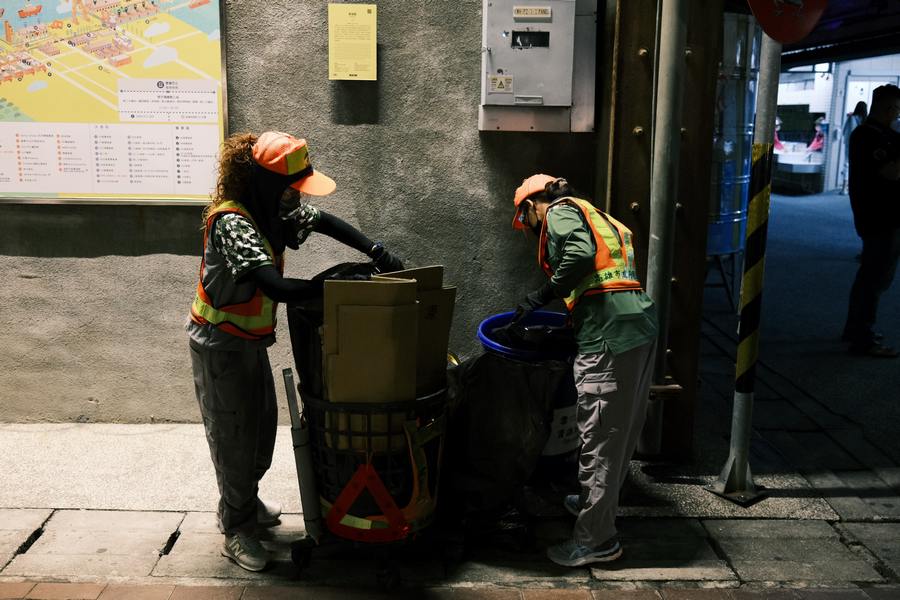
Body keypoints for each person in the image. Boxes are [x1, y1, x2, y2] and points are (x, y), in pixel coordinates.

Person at [187, 131, 403, 571]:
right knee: (233, 436)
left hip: (247, 342)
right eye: (293, 186)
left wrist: (375, 250)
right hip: (220, 344)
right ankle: (236, 525)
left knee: (261, 429)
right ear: (266, 183)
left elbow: (322, 220)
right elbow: (277, 287)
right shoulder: (234, 222)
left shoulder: (274, 209)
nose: (298, 196)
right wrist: (340, 287)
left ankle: (244, 500)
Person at [508, 175, 657, 566]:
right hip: (635, 329)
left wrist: (543, 295)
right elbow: (602, 278)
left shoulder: (557, 212)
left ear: (531, 206)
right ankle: (596, 507)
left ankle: (596, 540)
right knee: (618, 437)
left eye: (525, 221)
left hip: (608, 339)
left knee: (599, 440)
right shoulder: (598, 214)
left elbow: (578, 254)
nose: (529, 229)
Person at [841, 85, 900, 357]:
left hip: (874, 215)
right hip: (882, 216)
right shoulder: (872, 137)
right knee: (875, 277)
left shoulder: (871, 134)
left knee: (869, 275)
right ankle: (863, 337)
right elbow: (891, 172)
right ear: (889, 108)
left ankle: (856, 329)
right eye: (896, 109)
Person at [841, 101, 868, 194]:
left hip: (850, 145)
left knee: (847, 164)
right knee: (857, 166)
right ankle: (853, 187)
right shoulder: (865, 120)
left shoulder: (851, 118)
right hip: (861, 146)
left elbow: (844, 131)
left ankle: (844, 188)